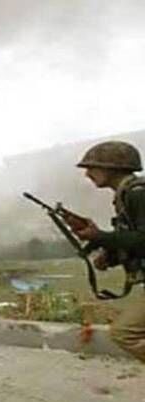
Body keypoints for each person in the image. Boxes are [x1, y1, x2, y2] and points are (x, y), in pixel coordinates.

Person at [67, 141, 145, 361]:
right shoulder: (126, 195)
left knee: (124, 333)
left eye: (92, 167)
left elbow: (142, 239)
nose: (87, 174)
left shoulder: (138, 194)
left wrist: (99, 236)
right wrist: (109, 257)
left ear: (112, 167)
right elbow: (133, 240)